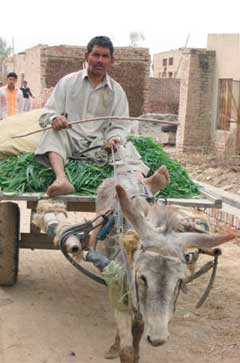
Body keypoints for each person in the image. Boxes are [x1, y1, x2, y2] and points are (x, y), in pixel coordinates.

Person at [35, 36, 167, 197]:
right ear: (86, 57)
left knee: (126, 150)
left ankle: (141, 184)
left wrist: (114, 139)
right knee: (51, 133)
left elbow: (119, 126)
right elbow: (47, 112)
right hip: (70, 140)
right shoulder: (68, 82)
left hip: (99, 145)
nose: (100, 60)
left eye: (105, 56)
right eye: (96, 55)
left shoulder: (117, 91)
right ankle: (62, 179)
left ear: (112, 60)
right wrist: (55, 119)